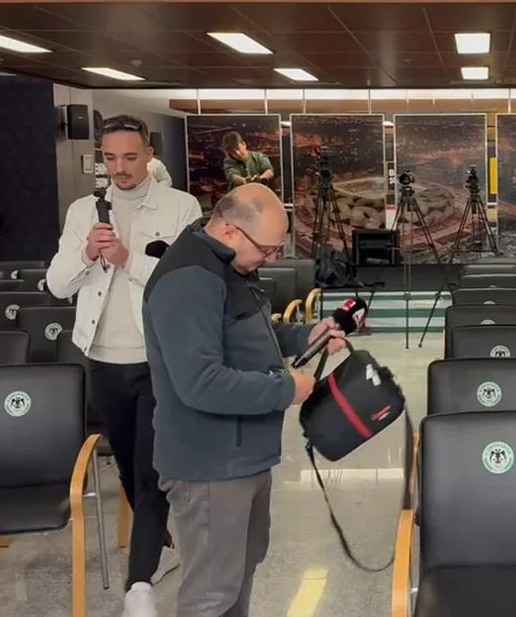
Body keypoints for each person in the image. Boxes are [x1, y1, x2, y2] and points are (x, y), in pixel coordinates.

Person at [142, 183, 346, 617]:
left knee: (237, 576)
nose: (271, 259)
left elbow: (249, 336)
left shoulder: (226, 262)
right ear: (231, 230)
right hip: (210, 465)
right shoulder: (188, 280)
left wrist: (305, 336)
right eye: (267, 249)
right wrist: (287, 389)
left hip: (243, 457)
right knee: (210, 594)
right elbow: (201, 383)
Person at [45, 114, 202, 617]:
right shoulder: (82, 212)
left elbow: (188, 282)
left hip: (158, 359)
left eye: (130, 157)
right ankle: (159, 547)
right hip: (102, 359)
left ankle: (139, 585)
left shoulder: (181, 207)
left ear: (149, 154)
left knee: (151, 471)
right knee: (132, 473)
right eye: (110, 158)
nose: (120, 168)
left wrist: (127, 257)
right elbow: (58, 285)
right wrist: (87, 252)